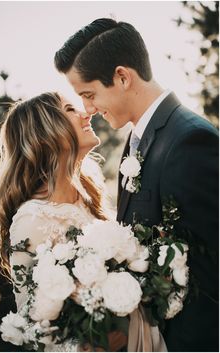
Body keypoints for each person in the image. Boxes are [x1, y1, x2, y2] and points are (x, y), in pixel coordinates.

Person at [54, 18, 219, 352]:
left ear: (122, 77)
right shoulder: (136, 140)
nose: (89, 109)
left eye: (89, 94)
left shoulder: (190, 140)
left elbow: (211, 277)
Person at [0, 92, 165, 352]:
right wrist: (89, 345)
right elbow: (32, 329)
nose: (87, 113)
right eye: (71, 109)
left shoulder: (87, 197)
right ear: (46, 130)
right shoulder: (31, 221)